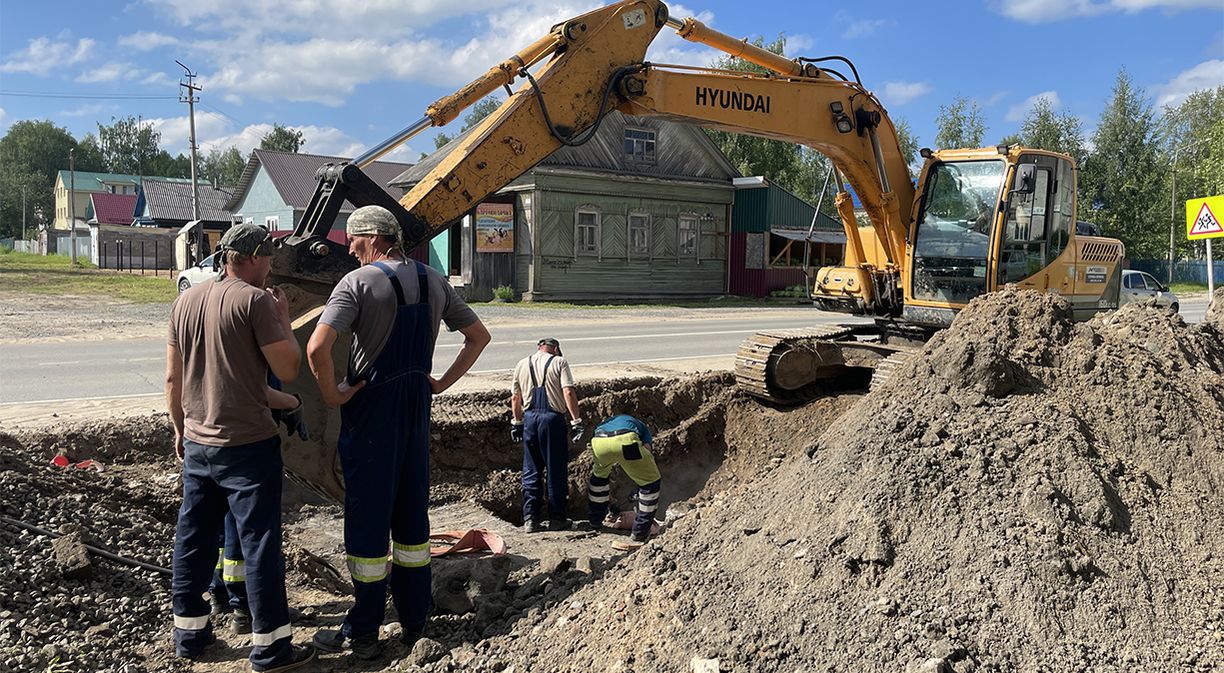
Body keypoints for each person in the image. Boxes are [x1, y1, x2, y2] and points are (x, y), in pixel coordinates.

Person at [306, 205, 490, 659]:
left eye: (353, 240)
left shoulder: (357, 284)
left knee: (368, 523)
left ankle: (365, 631)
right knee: (412, 523)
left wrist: (333, 395)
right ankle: (413, 623)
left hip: (371, 413)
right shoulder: (435, 280)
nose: (349, 249)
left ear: (374, 238)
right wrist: (441, 383)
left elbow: (316, 348)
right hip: (415, 411)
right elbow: (478, 336)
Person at [166, 223, 314, 672]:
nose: (271, 266)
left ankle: (189, 636)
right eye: (268, 257)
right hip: (247, 446)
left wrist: (179, 429)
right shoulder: (254, 301)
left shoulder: (186, 301)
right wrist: (284, 319)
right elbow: (286, 367)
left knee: (193, 537)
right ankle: (270, 649)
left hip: (198, 442)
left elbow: (177, 379)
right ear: (248, 257)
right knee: (259, 544)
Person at [510, 338, 584, 532]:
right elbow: (567, 392)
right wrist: (576, 421)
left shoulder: (521, 363)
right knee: (555, 470)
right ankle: (557, 518)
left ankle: (530, 520)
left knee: (531, 469)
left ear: (538, 348)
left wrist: (517, 422)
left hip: (529, 420)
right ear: (556, 349)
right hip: (551, 420)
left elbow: (515, 397)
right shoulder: (560, 362)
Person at [586, 414, 661, 551]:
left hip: (599, 442)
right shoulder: (642, 427)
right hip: (626, 441)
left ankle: (595, 521)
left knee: (599, 480)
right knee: (651, 482)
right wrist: (641, 484)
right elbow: (646, 452)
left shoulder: (607, 423)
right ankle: (640, 531)